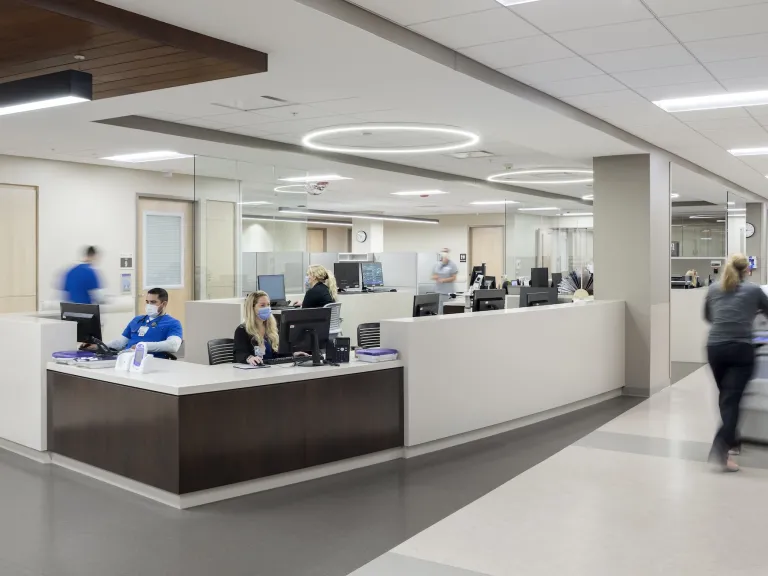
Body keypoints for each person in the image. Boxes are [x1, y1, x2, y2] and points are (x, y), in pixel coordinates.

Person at [705, 253, 768, 471]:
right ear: (747, 270)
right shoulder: (754, 290)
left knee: (726, 397)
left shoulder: (713, 288)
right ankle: (720, 449)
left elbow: (709, 317)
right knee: (732, 400)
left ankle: (732, 441)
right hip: (740, 350)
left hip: (715, 348)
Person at [102, 288, 183, 359]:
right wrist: (101, 345)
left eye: (153, 302)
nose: (149, 305)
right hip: (127, 359)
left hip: (150, 362)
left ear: (164, 304)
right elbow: (120, 343)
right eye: (147, 302)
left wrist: (142, 346)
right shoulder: (137, 320)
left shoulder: (172, 323)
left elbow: (173, 345)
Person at [234, 291, 280, 365]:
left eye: (268, 304)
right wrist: (249, 358)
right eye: (262, 305)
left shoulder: (271, 328)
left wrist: (293, 354)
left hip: (272, 368)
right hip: (254, 369)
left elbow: (278, 353)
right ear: (252, 308)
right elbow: (240, 353)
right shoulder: (242, 330)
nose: (267, 308)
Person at [432, 248, 458, 313]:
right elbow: (433, 276)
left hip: (448, 293)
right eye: (443, 252)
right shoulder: (437, 264)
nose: (444, 254)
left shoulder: (452, 265)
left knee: (448, 312)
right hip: (438, 292)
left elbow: (454, 278)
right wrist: (436, 277)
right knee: (439, 312)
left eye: (446, 252)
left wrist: (444, 280)